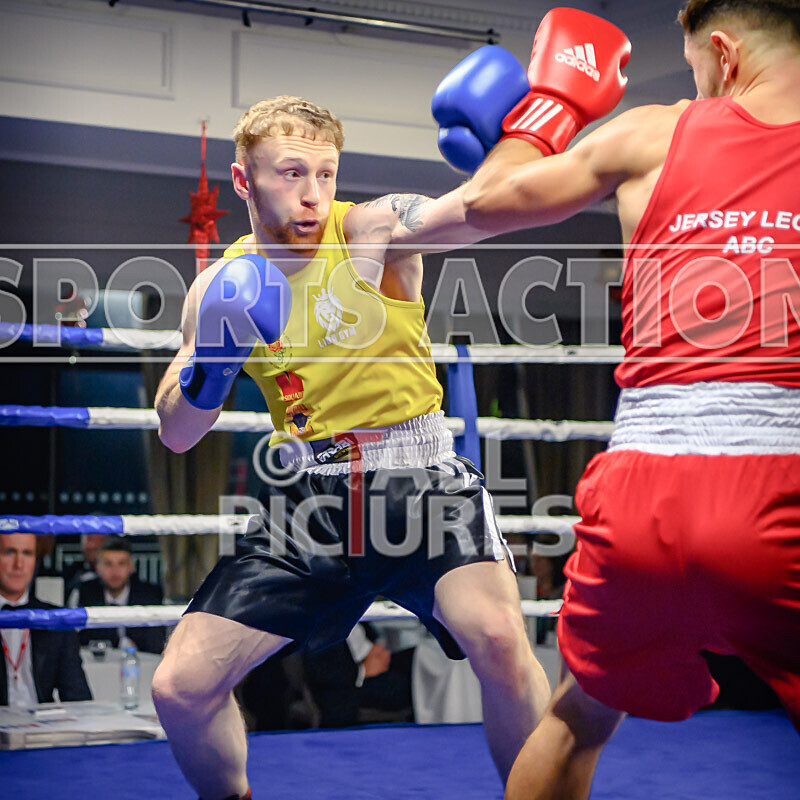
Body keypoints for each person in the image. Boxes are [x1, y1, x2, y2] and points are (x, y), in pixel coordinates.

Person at [151, 85, 632, 800]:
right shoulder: (218, 286)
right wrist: (210, 366)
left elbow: (476, 212)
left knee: (500, 639)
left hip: (422, 481)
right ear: (244, 181)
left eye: (326, 173)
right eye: (291, 173)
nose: (313, 194)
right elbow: (177, 432)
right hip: (311, 502)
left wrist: (538, 126)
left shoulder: (373, 230)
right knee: (180, 687)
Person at [433, 1, 800, 797]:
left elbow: (479, 204)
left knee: (576, 718)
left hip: (643, 496)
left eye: (698, 71)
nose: (699, 90)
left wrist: (546, 111)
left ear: (725, 52)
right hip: (782, 491)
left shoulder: (653, 134)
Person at [0, 532, 91, 706]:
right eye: (9, 552)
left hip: (42, 721)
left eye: (27, 553)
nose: (19, 564)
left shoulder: (56, 619)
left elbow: (78, 698)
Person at [302, 622, 414, 727]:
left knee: (416, 656)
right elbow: (326, 675)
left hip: (369, 657)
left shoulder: (349, 611)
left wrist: (376, 649)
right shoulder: (321, 626)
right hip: (353, 685)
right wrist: (364, 671)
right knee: (407, 685)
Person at [69, 536, 167, 654]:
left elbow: (156, 644)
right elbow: (79, 639)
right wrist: (118, 642)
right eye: (108, 564)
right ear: (98, 567)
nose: (115, 571)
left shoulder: (149, 595)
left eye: (121, 564)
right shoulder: (85, 592)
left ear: (131, 567)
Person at [62, 533, 108, 598]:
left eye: (100, 540)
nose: (94, 545)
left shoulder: (117, 576)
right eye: (90, 539)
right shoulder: (69, 573)